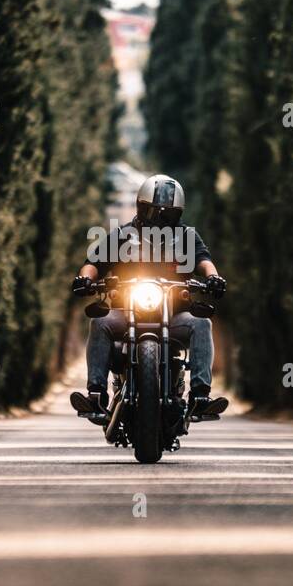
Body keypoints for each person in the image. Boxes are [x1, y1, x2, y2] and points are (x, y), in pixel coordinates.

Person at [70, 174, 227, 417]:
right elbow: (94, 262)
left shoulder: (186, 236)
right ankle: (96, 395)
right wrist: (85, 278)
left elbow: (203, 260)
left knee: (202, 323)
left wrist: (213, 277)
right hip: (125, 313)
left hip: (174, 316)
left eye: (169, 213)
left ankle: (200, 396)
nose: (161, 218)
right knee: (100, 322)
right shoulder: (122, 235)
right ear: (142, 207)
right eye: (156, 212)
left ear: (179, 213)